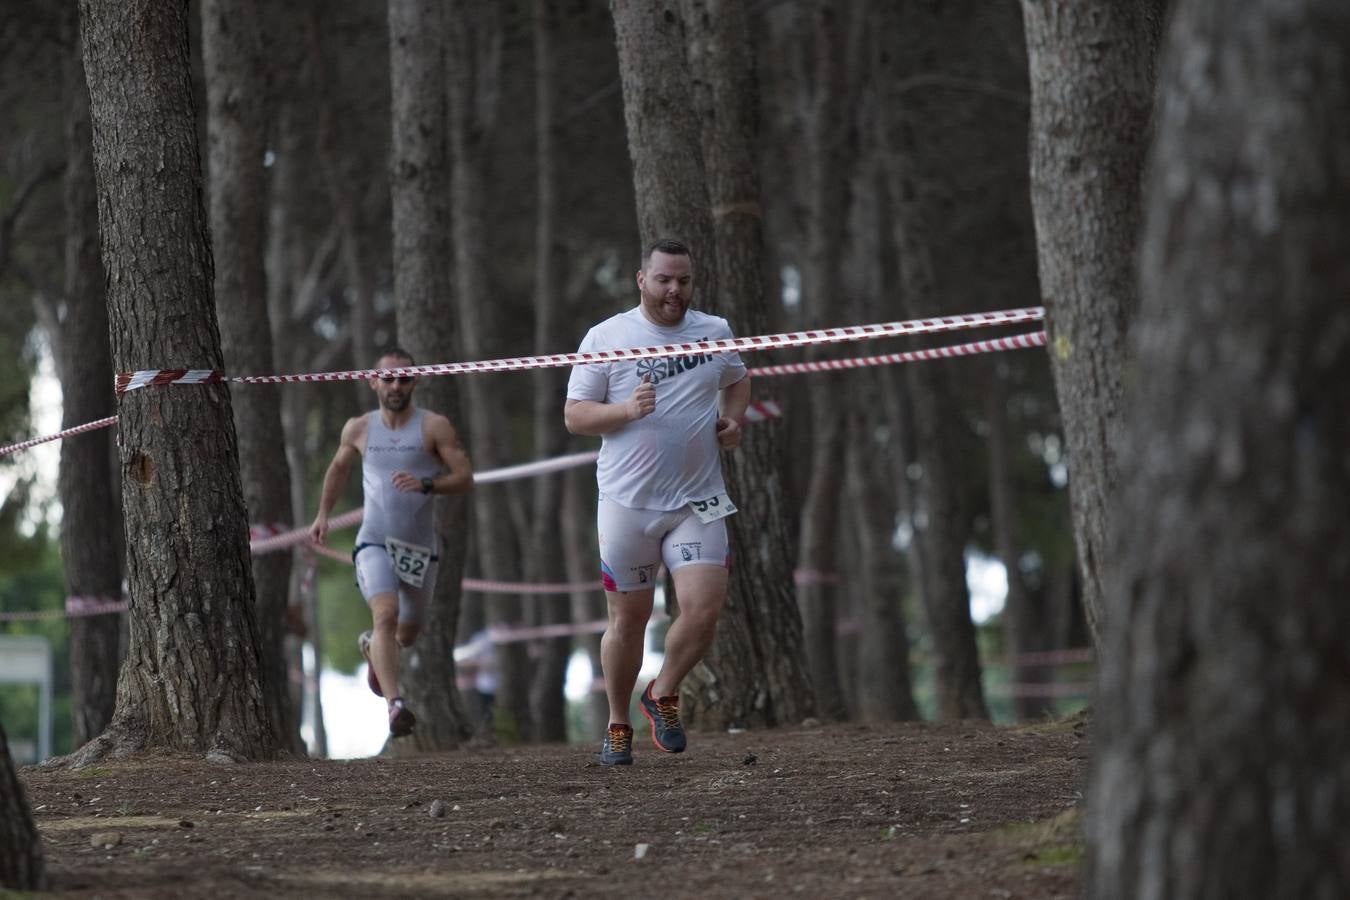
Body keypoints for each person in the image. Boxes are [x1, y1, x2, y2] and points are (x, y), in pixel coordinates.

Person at [564, 238, 751, 766]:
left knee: (704, 609)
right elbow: (575, 417)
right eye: (664, 279)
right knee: (630, 620)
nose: (675, 291)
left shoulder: (713, 331)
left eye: (684, 281)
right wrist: (624, 410)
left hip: (698, 499)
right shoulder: (607, 337)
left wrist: (734, 421)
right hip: (628, 504)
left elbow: (739, 379)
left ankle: (663, 692)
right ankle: (617, 722)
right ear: (641, 279)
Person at [310, 348, 473, 737]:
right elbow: (337, 469)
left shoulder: (433, 426)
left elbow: (464, 477)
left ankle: (373, 648)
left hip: (419, 548)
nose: (396, 385)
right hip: (374, 541)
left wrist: (428, 483)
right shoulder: (359, 428)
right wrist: (322, 515)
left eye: (404, 379)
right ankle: (395, 706)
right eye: (388, 378)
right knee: (385, 614)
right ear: (373, 381)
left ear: (415, 382)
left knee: (407, 633)